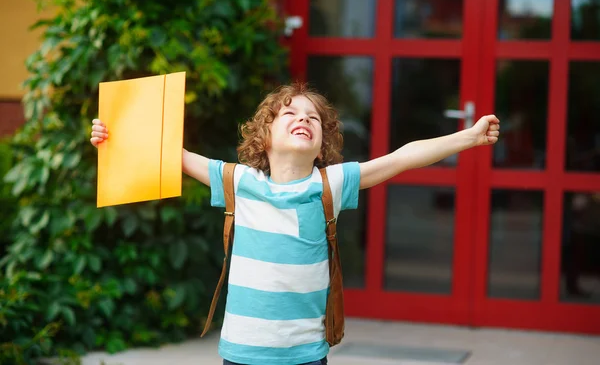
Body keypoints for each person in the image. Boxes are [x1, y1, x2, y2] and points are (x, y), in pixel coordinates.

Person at [90, 83, 500, 365]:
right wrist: (110, 134)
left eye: (314, 118)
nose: (303, 118)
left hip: (305, 354)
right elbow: (164, 151)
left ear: (322, 144)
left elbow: (399, 158)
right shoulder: (240, 181)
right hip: (242, 352)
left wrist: (468, 138)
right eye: (289, 113)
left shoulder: (331, 184)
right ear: (263, 136)